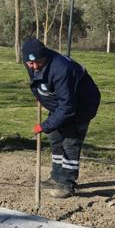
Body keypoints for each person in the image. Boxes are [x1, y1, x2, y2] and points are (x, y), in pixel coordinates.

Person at [22, 38, 100, 198]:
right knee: (55, 138)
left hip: (81, 106)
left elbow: (68, 107)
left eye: (37, 62)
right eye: (30, 64)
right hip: (61, 105)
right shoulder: (33, 63)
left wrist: (44, 125)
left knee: (70, 142)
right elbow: (41, 83)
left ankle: (66, 184)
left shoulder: (61, 69)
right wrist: (42, 98)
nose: (34, 66)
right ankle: (56, 177)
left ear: (44, 56)